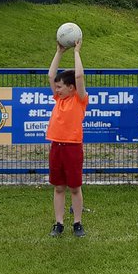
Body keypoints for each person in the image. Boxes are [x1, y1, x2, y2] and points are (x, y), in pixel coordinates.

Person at [46, 38, 89, 237]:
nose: (56, 90)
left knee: (74, 187)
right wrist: (59, 52)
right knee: (59, 187)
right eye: (56, 87)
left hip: (73, 147)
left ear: (71, 88)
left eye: (60, 87)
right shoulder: (59, 99)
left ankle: (77, 223)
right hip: (57, 146)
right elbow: (50, 75)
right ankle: (59, 223)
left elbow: (79, 75)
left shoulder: (79, 99)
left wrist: (76, 52)